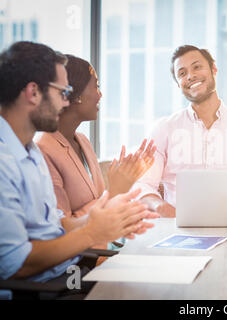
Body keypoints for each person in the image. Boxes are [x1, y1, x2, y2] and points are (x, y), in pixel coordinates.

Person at [0, 41, 157, 296]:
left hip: (70, 273)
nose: (66, 103)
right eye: (63, 92)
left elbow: (57, 228)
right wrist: (93, 231)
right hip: (45, 289)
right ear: (33, 92)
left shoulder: (30, 152)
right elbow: (16, 265)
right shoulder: (5, 161)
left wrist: (108, 219)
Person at [134, 45, 227, 217]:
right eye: (182, 73)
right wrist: (164, 209)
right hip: (177, 228)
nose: (190, 76)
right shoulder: (163, 129)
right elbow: (142, 184)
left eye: (197, 67)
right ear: (178, 84)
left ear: (214, 69)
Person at [36, 55, 156, 250]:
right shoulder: (44, 151)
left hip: (105, 248)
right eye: (96, 86)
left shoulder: (82, 140)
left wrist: (124, 185)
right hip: (80, 261)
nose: (100, 95)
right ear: (75, 94)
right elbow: (61, 230)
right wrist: (115, 190)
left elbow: (102, 206)